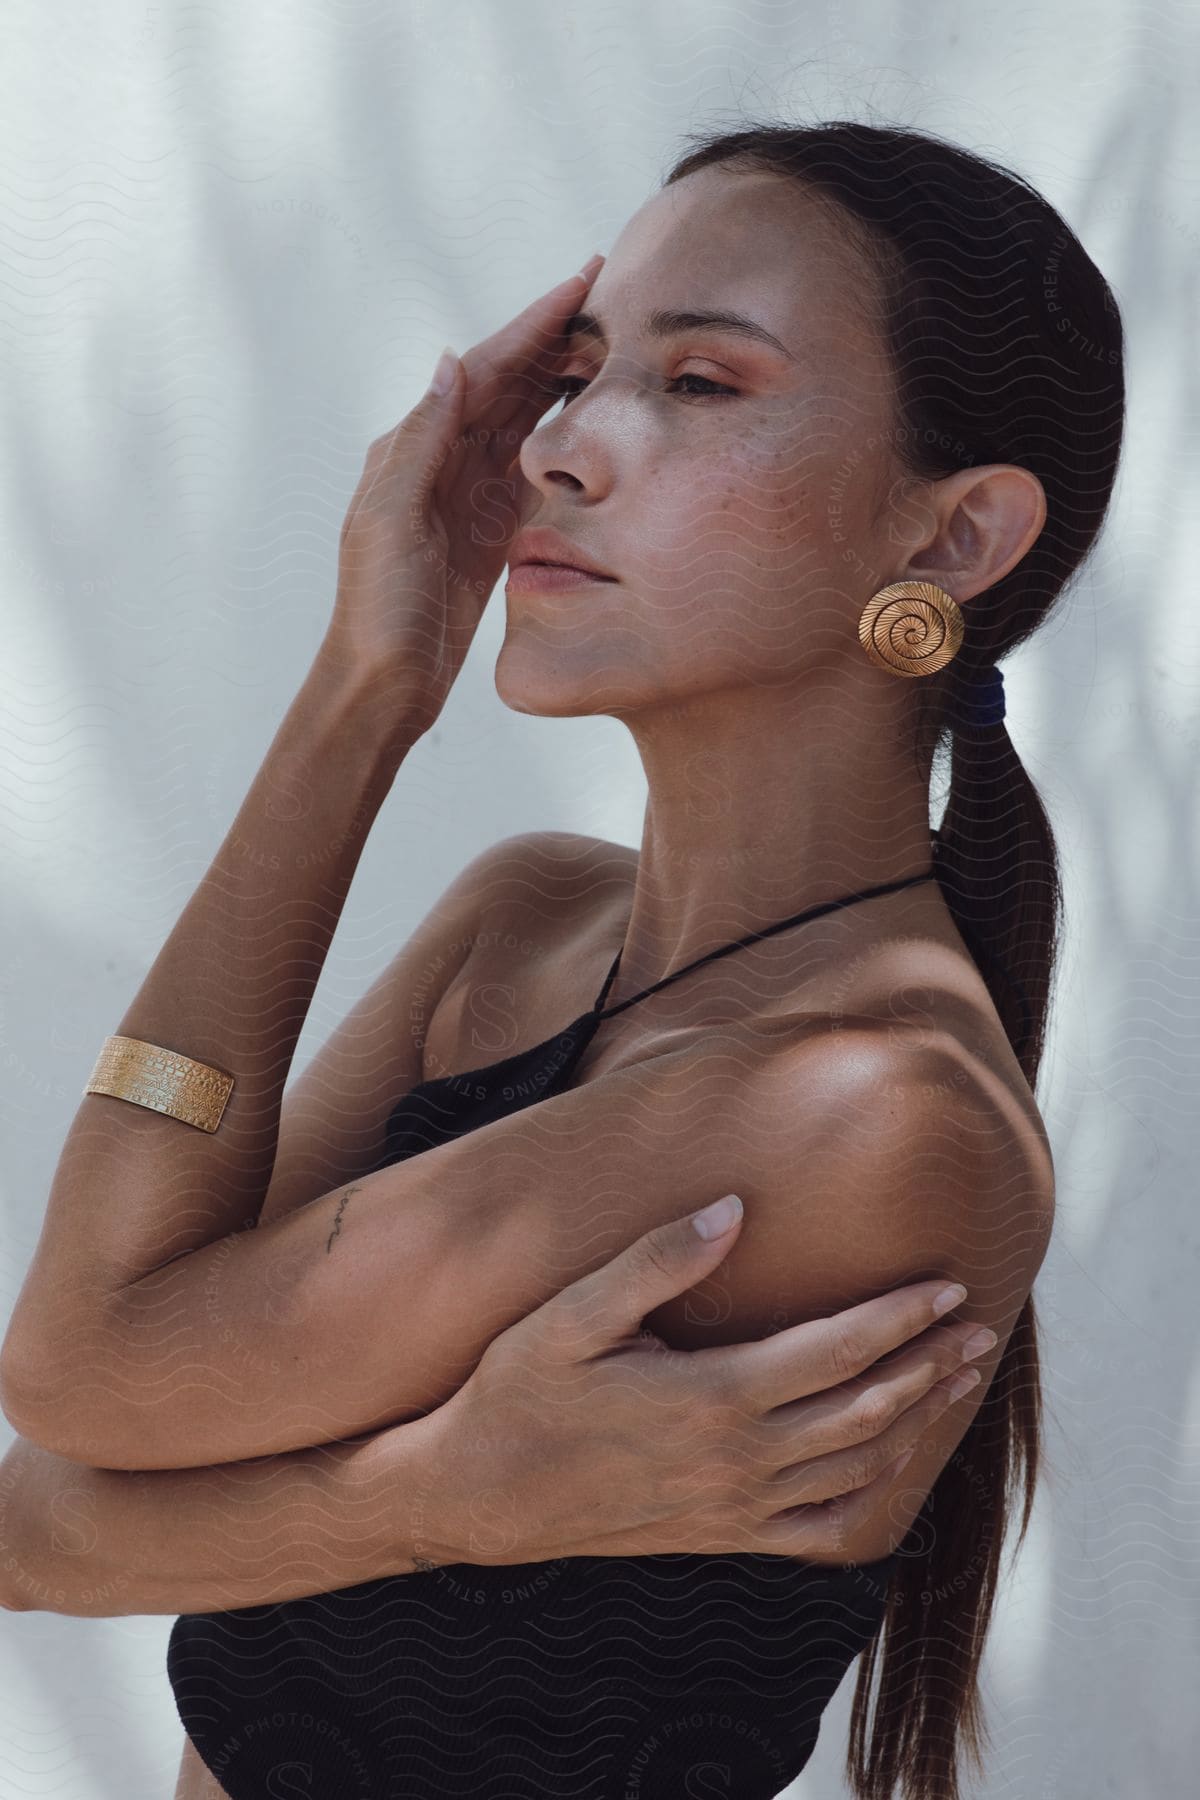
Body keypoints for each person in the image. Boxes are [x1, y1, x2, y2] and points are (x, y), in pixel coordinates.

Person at [0, 116, 1124, 1800]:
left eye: (702, 385)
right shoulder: (522, 924)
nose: (560, 451)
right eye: (580, 372)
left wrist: (352, 1505)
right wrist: (365, 690)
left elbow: (84, 1368)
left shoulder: (867, 1107)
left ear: (950, 540)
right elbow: (38, 1507)